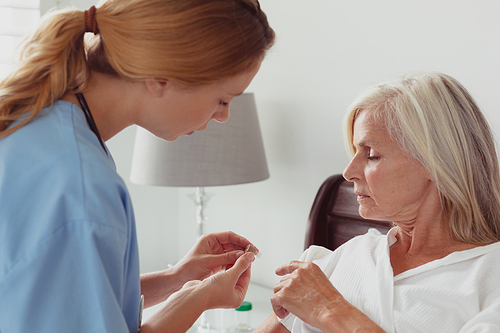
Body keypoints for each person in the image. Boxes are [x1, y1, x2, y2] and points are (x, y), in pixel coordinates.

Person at [0, 0, 275, 332]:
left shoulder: (37, 126)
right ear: (161, 77)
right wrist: (197, 299)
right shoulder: (83, 189)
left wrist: (177, 278)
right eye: (222, 99)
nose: (223, 116)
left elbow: (60, 294)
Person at [255, 72, 500, 333]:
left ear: (435, 163)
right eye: (355, 152)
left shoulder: (488, 278)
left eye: (371, 155)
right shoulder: (348, 256)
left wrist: (327, 310)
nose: (348, 172)